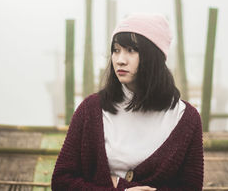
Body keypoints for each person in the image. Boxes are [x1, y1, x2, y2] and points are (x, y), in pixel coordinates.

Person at [51, 14, 204, 191]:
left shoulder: (186, 118)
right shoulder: (91, 109)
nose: (120, 60)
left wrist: (119, 182)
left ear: (153, 55)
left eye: (131, 50)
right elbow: (61, 181)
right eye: (116, 50)